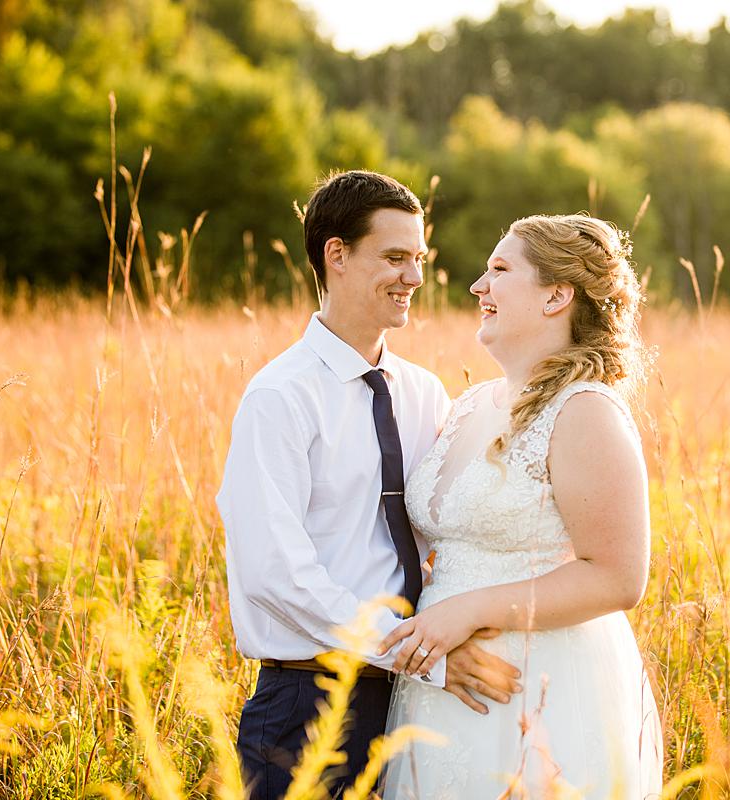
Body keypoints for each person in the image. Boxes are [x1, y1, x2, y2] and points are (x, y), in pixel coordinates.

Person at [216, 170, 522, 800]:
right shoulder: (279, 398)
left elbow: (442, 533)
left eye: (419, 258)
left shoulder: (423, 392)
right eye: (394, 257)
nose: (415, 277)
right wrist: (422, 656)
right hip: (311, 700)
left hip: (418, 700)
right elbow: (275, 575)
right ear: (337, 255)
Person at [380, 213, 664, 798]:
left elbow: (617, 577)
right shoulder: (467, 405)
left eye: (500, 270)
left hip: (539, 686)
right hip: (442, 689)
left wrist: (470, 610)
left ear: (557, 295)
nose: (478, 287)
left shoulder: (585, 410)